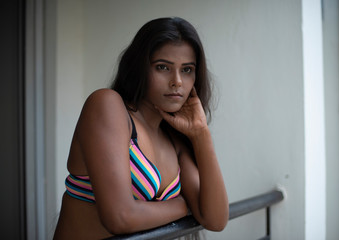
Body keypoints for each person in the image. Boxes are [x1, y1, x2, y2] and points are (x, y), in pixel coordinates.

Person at [54, 17, 228, 239]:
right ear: (139, 67)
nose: (177, 81)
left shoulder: (174, 138)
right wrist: (184, 206)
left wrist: (201, 134)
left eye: (187, 70)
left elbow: (215, 219)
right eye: (162, 67)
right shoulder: (107, 106)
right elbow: (120, 217)